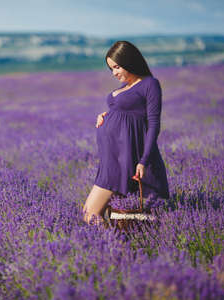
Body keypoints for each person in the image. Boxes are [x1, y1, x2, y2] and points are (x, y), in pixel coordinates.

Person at [83, 41, 170, 226]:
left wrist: (143, 160)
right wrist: (106, 115)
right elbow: (124, 112)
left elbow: (153, 123)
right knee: (90, 213)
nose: (114, 73)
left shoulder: (149, 84)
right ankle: (114, 247)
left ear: (129, 60)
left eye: (117, 67)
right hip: (109, 159)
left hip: (124, 159)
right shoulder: (123, 88)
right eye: (111, 69)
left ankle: (111, 248)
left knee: (90, 214)